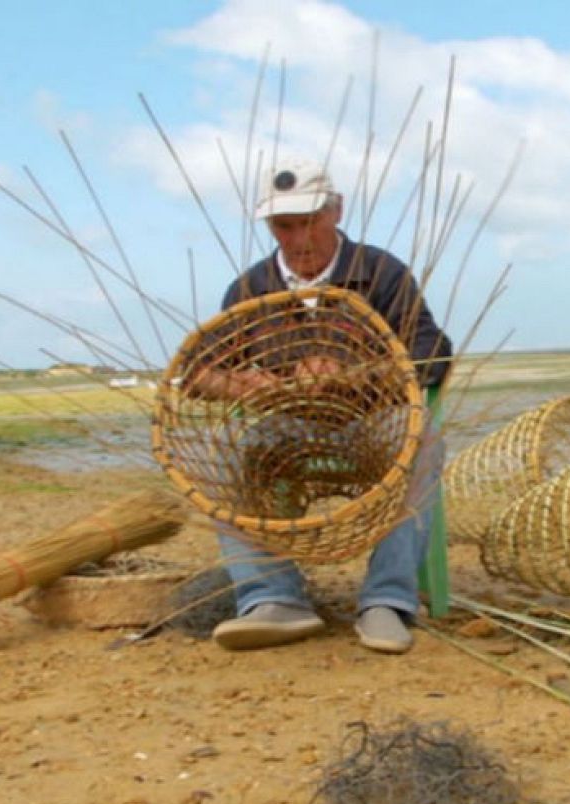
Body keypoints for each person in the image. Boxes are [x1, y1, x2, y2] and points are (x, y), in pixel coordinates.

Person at [192, 159, 452, 655]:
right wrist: (242, 383)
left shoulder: (380, 272)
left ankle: (386, 602)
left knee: (422, 441)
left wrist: (357, 376)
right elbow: (199, 372)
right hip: (285, 431)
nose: (297, 239)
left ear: (336, 211)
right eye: (283, 226)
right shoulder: (251, 288)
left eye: (309, 221)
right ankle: (274, 598)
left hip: (373, 425)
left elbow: (433, 354)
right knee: (224, 454)